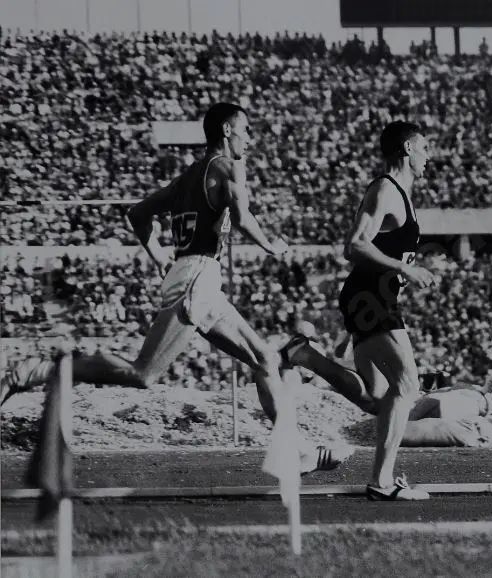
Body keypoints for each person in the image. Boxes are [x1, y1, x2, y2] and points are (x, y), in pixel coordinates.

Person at [0, 102, 346, 474]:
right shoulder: (229, 166)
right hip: (197, 277)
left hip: (197, 276)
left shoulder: (189, 176)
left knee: (263, 359)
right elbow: (243, 218)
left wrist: (158, 257)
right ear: (227, 130)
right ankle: (35, 371)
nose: (250, 138)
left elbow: (137, 213)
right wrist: (270, 245)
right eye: (246, 129)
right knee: (143, 374)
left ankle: (298, 451)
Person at [279, 121, 436, 501]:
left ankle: (305, 356)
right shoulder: (386, 189)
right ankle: (382, 482)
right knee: (407, 386)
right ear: (407, 149)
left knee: (377, 398)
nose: (428, 157)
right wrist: (404, 269)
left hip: (372, 298)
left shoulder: (402, 194)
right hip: (369, 298)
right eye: (425, 148)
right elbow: (354, 245)